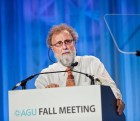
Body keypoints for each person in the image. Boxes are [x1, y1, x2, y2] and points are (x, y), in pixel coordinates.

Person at [35, 23, 125, 115]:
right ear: (52, 48)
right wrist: (46, 95)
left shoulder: (92, 63)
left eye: (68, 41)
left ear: (74, 43)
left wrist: (117, 99)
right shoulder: (45, 76)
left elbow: (111, 88)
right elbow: (39, 106)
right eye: (59, 43)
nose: (64, 47)